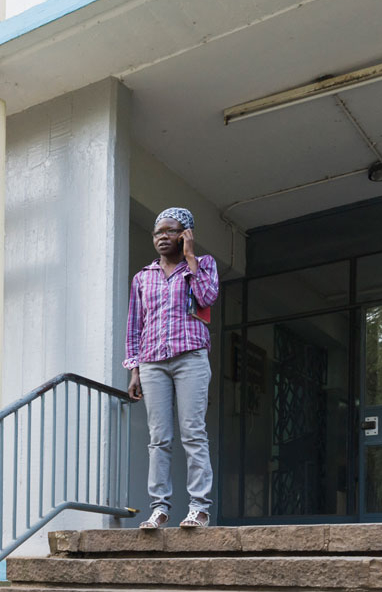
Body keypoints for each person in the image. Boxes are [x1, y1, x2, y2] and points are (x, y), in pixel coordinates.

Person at [124, 207, 218, 529]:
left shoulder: (203, 266)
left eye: (170, 230)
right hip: (152, 364)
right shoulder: (142, 278)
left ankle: (199, 508)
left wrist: (191, 258)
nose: (162, 237)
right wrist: (134, 369)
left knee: (193, 433)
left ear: (185, 234)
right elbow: (134, 325)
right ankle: (160, 508)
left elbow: (207, 297)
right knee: (159, 438)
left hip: (190, 357)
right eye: (157, 232)